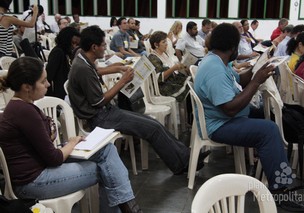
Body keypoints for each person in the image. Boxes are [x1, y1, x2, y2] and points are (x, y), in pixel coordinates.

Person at [0, 56, 142, 213]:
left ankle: (128, 206)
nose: (48, 84)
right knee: (107, 169)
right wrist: (72, 143)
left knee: (107, 150)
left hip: (39, 168)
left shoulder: (22, 106)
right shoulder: (24, 111)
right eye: (43, 81)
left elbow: (47, 143)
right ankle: (129, 207)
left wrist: (67, 142)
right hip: (33, 182)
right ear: (27, 87)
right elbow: (54, 158)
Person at [194, 23, 304, 212]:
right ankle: (279, 191)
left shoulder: (217, 60)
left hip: (225, 118)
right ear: (233, 47)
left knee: (269, 115)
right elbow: (230, 109)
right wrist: (256, 81)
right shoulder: (214, 68)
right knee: (268, 130)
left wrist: (258, 69)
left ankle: (270, 165)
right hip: (220, 125)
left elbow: (238, 80)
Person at [67, 26, 210, 176]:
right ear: (94, 47)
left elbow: (96, 72)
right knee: (152, 128)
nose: (105, 48)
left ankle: (186, 158)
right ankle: (181, 163)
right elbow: (98, 102)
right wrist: (122, 81)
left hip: (105, 112)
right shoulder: (82, 68)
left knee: (154, 123)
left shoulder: (82, 59)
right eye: (103, 45)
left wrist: (117, 69)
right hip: (100, 117)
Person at [148, 31, 190, 102]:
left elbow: (171, 68)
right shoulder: (153, 58)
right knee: (189, 88)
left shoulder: (164, 54)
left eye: (166, 42)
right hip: (164, 87)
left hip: (172, 80)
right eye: (164, 42)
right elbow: (159, 78)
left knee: (192, 80)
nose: (166, 44)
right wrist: (173, 68)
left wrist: (181, 67)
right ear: (156, 44)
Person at [46, 27, 80, 100]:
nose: (74, 46)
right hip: (59, 95)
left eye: (77, 44)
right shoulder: (58, 53)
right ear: (66, 40)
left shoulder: (66, 52)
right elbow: (48, 76)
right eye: (73, 43)